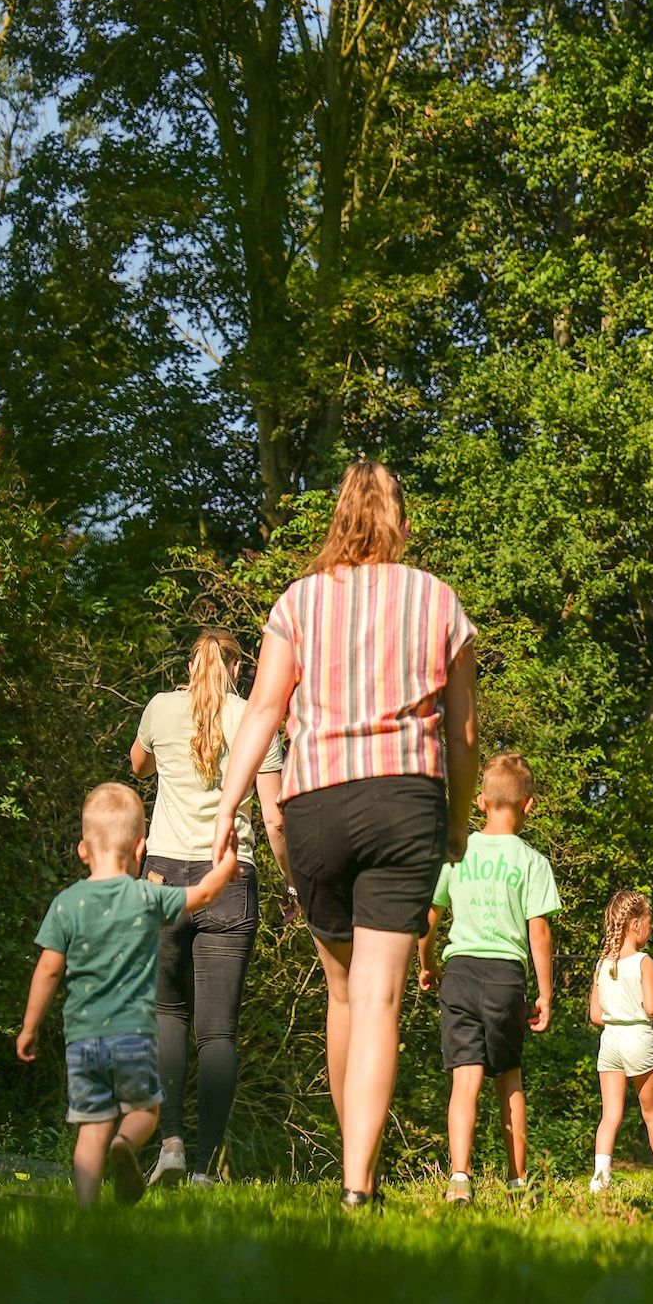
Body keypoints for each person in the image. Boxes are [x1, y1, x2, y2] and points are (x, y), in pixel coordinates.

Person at [209, 461, 479, 1210]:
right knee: (381, 996)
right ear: (399, 518)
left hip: (315, 804)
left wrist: (227, 815)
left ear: (336, 518)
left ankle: (350, 1169)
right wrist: (457, 822)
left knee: (342, 991)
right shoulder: (436, 599)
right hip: (403, 800)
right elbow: (462, 735)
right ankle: (360, 1182)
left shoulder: (297, 603)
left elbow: (263, 713)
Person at [18, 783, 238, 1206]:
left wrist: (29, 1027)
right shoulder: (146, 897)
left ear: (83, 850)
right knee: (145, 1112)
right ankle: (125, 1144)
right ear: (141, 848)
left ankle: (86, 1211)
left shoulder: (67, 904)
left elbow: (48, 968)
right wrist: (227, 863)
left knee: (90, 1126)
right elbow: (206, 895)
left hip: (82, 1038)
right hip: (134, 1036)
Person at [130, 629, 288, 1187]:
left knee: (166, 1014)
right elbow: (273, 817)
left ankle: (169, 1144)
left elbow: (137, 766)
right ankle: (204, 1169)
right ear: (241, 669)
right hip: (228, 876)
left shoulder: (160, 708)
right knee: (217, 1032)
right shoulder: (256, 720)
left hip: (163, 880)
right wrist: (294, 883)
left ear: (192, 664)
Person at [417, 751, 558, 1205]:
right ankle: (517, 1182)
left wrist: (427, 963)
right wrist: (546, 994)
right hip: (505, 977)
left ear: (479, 802)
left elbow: (429, 917)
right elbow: (539, 933)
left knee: (465, 1081)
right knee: (509, 1080)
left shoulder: (456, 852)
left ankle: (459, 1177)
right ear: (529, 805)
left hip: (458, 972)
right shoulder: (533, 862)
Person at [586, 889, 653, 1196]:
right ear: (636, 925)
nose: (650, 927)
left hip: (610, 1042)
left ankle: (600, 1178)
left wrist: (617, 1015)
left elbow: (595, 1015)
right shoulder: (645, 961)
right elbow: (650, 1006)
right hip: (638, 1040)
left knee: (610, 1114)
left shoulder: (601, 964)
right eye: (649, 921)